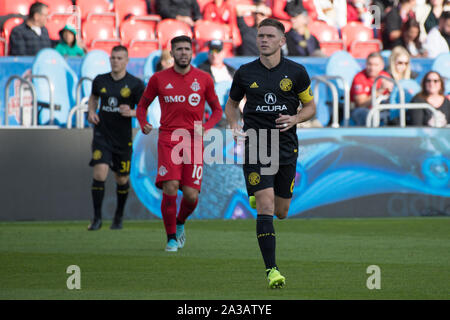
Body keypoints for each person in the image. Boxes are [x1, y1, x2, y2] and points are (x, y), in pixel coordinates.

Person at [224, 18, 316, 288]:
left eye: (269, 36)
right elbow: (231, 105)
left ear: (282, 41)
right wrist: (233, 123)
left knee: (282, 211)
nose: (263, 40)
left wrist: (295, 118)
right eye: (260, 35)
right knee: (265, 207)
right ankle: (272, 270)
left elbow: (311, 107)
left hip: (286, 146)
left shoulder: (297, 72)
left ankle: (258, 195)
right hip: (256, 143)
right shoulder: (244, 72)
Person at [136, 36, 223, 252]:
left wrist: (207, 126)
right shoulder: (158, 78)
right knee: (171, 186)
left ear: (192, 53)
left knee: (191, 195)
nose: (183, 53)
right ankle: (171, 238)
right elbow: (142, 106)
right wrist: (143, 122)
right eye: (179, 49)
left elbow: (217, 110)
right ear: (172, 53)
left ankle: (181, 221)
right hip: (168, 139)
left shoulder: (203, 79)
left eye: (187, 49)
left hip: (193, 141)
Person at [87, 45, 145, 231]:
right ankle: (96, 219)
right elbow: (94, 98)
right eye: (113, 58)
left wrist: (132, 112)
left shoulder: (135, 84)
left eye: (119, 58)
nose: (115, 61)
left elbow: (143, 110)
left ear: (127, 61)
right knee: (99, 173)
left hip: (123, 138)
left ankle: (118, 216)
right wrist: (91, 111)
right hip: (102, 134)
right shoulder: (100, 80)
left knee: (121, 179)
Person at [350, 52, 393, 126]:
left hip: (381, 110)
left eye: (376, 65)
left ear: (382, 66)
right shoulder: (360, 78)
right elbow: (361, 104)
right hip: (362, 111)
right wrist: (380, 91)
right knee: (366, 114)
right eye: (370, 64)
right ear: (366, 64)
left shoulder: (385, 76)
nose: (372, 68)